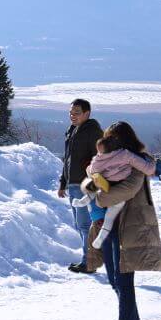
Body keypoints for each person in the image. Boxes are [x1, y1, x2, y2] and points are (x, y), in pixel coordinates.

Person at [84, 122, 161, 320]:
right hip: (110, 225)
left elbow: (127, 190)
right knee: (114, 279)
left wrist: (99, 198)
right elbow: (92, 174)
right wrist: (93, 180)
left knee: (123, 279)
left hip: (129, 225)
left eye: (112, 138)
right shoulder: (111, 159)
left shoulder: (137, 162)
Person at [74, 137, 157, 249]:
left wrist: (90, 169)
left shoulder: (98, 160)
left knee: (94, 188)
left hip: (106, 186)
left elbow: (91, 172)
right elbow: (148, 169)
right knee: (110, 217)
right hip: (121, 189)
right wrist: (150, 161)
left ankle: (82, 202)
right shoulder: (125, 155)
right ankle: (101, 238)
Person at [58, 99, 103, 274]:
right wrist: (63, 183)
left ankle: (90, 262)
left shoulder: (93, 132)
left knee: (85, 225)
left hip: (86, 184)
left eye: (77, 112)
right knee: (80, 225)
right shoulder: (72, 131)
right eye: (71, 112)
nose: (72, 115)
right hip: (73, 184)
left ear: (86, 113)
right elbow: (67, 160)